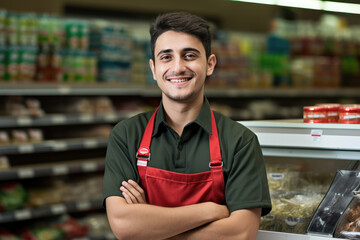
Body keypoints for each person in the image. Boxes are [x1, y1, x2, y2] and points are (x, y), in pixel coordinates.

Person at [103, 11, 272, 240]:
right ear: (153, 69)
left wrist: (151, 229)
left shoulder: (239, 141)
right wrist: (212, 210)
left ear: (210, 64)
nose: (178, 67)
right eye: (166, 57)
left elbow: (240, 233)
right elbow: (124, 225)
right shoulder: (127, 135)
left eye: (189, 55)